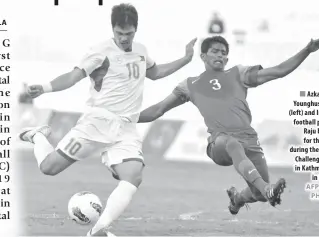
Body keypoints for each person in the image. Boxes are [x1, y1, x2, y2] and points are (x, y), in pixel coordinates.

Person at [19, 3, 196, 237]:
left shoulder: (141, 51)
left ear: (136, 30)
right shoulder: (99, 52)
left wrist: (185, 59)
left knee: (133, 176)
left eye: (129, 33)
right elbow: (73, 77)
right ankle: (38, 135)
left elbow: (156, 73)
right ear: (113, 29)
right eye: (119, 33)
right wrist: (44, 87)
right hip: (96, 124)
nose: (124, 38)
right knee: (48, 168)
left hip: (126, 128)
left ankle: (98, 231)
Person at [138, 35, 319, 215]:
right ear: (203, 56)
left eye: (223, 52)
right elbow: (158, 110)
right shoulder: (190, 85)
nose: (220, 55)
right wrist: (126, 117)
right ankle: (267, 188)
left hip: (249, 140)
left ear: (227, 59)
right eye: (215, 51)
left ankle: (237, 199)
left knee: (259, 196)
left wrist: (306, 50)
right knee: (233, 146)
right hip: (219, 145)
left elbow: (279, 71)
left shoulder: (239, 74)